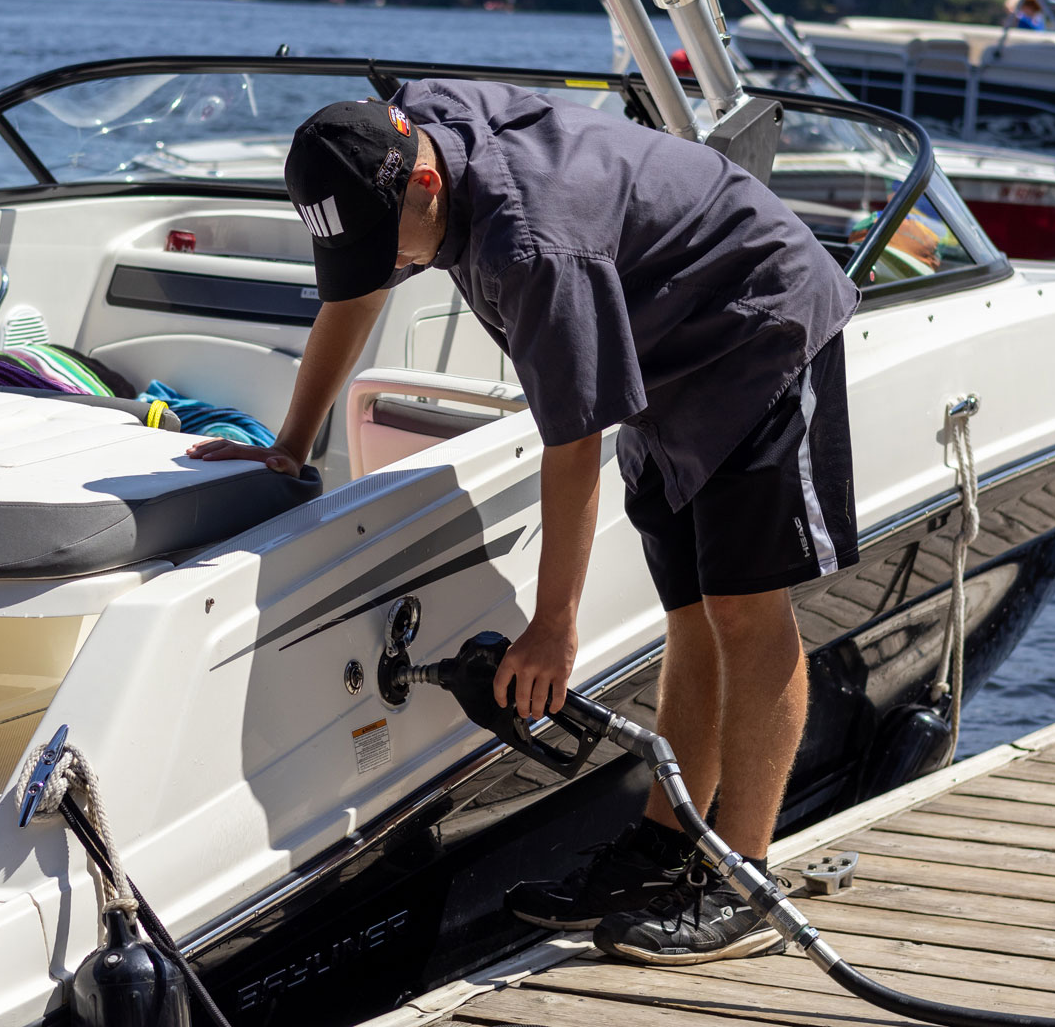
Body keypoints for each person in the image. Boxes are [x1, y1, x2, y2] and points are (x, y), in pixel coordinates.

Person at [189, 82, 860, 965]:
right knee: (690, 611)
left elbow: (574, 446)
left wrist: (553, 630)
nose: (382, 270)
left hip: (756, 329)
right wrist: (289, 446)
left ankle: (740, 880)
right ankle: (665, 849)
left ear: (425, 185)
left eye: (385, 249)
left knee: (743, 606)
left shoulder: (535, 245)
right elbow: (358, 290)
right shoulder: (404, 140)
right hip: (658, 347)